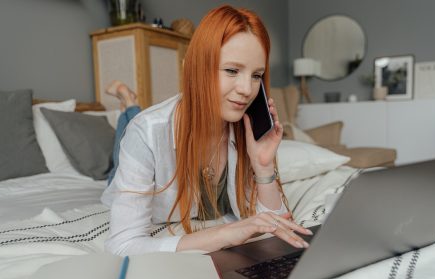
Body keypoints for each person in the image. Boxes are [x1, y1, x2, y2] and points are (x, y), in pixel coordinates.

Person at [101, 5, 312, 255]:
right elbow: (123, 245)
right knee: (130, 126)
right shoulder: (145, 132)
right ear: (198, 68)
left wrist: (264, 167)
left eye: (257, 75)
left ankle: (130, 104)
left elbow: (273, 226)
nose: (247, 89)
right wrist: (224, 234)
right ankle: (128, 102)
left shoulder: (244, 128)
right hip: (135, 146)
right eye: (232, 70)